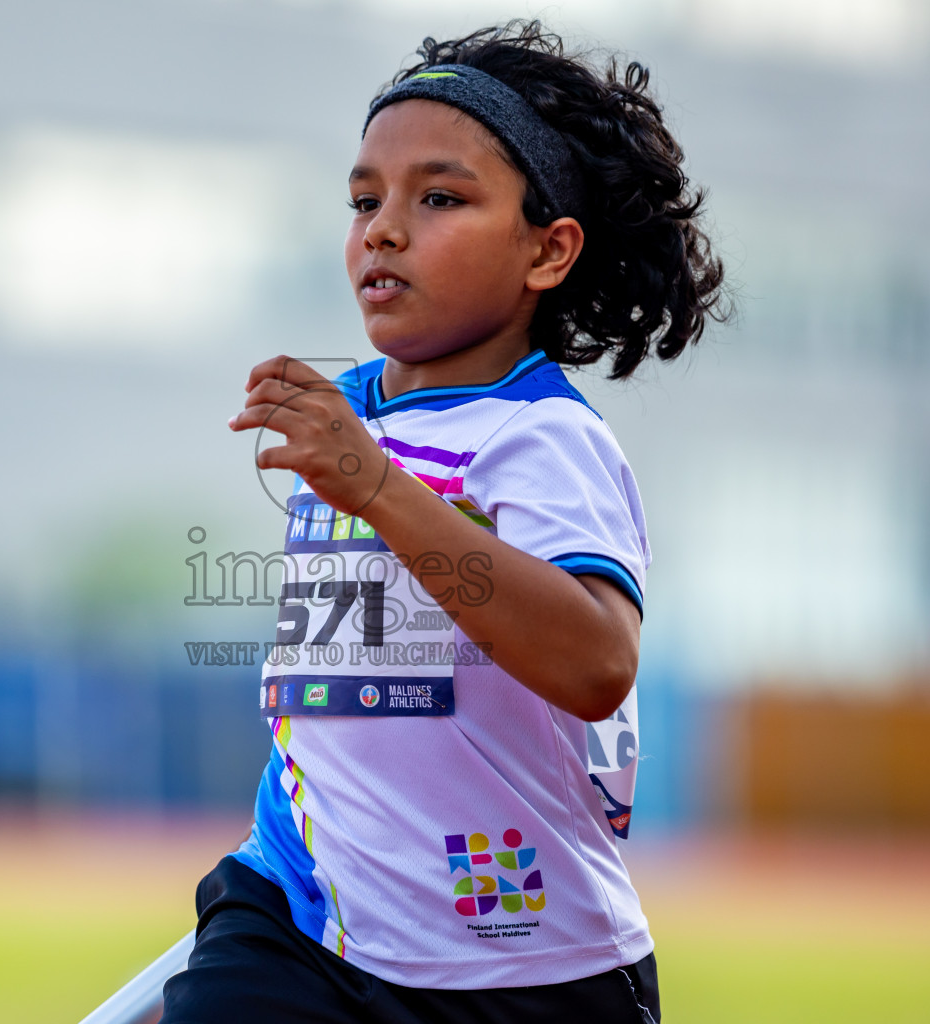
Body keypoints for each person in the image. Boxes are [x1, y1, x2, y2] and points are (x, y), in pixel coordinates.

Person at [163, 20, 727, 1024]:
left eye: (439, 197)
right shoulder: (355, 415)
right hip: (305, 914)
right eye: (364, 199)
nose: (382, 227)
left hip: (521, 959)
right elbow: (353, 692)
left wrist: (380, 490)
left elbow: (596, 662)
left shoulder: (544, 436)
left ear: (549, 251)